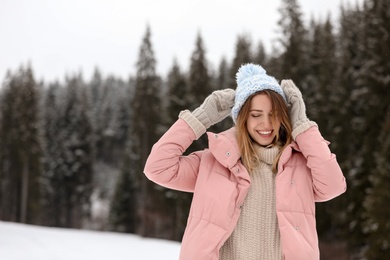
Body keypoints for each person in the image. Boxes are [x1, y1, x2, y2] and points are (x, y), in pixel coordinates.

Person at [144, 63, 347, 260]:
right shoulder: (213, 162)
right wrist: (201, 118)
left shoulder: (301, 165)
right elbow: (158, 167)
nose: (266, 124)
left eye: (274, 115)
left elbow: (334, 186)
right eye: (256, 115)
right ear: (243, 119)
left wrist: (302, 125)